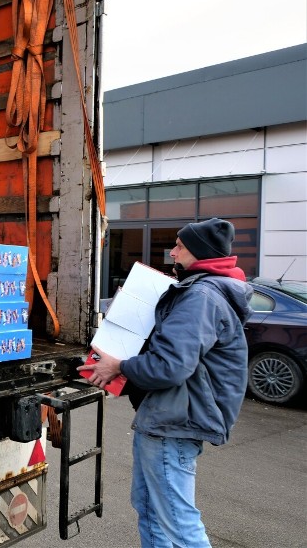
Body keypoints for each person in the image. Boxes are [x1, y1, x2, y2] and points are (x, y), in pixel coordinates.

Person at [79, 218, 253, 548]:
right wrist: (122, 374)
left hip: (173, 423)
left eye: (180, 246)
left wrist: (119, 365)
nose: (172, 252)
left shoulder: (201, 296)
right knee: (150, 510)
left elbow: (169, 366)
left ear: (200, 253)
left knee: (177, 521)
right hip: (167, 418)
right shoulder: (201, 291)